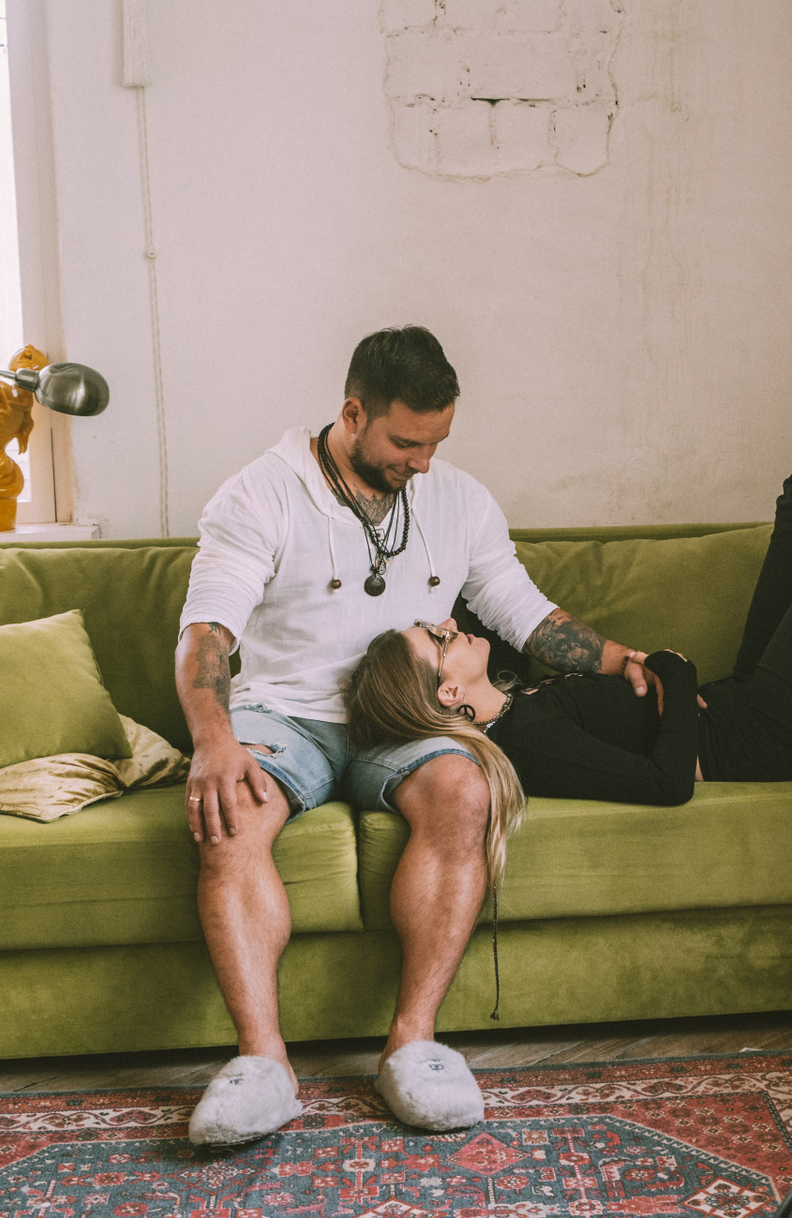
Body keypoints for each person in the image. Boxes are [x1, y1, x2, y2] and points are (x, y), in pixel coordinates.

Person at [176, 325, 662, 1145]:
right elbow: (208, 632)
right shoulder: (259, 494)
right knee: (230, 817)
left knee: (464, 789)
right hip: (285, 712)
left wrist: (621, 659)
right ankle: (263, 1065)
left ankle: (413, 1046)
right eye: (406, 442)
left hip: (402, 714)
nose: (424, 462)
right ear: (353, 415)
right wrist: (214, 742)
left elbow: (520, 608)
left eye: (436, 442)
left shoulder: (458, 499)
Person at [346, 221, 792, 812]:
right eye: (437, 641)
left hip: (748, 701)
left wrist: (639, 669)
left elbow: (513, 609)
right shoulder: (526, 743)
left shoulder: (515, 701)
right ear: (448, 696)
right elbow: (665, 783)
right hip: (783, 735)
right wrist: (673, 671)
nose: (444, 624)